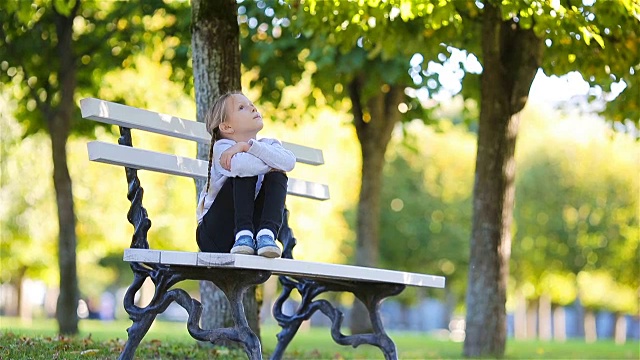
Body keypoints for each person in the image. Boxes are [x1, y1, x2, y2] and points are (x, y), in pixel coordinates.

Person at [196, 91, 296, 258]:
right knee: (245, 170)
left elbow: (289, 162)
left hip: (254, 236)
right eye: (242, 107)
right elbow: (242, 166)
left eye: (251, 104)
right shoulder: (223, 148)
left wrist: (246, 147)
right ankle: (243, 235)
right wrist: (269, 160)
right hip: (216, 234)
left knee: (278, 173)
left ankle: (267, 235)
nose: (252, 108)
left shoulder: (268, 144)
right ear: (226, 127)